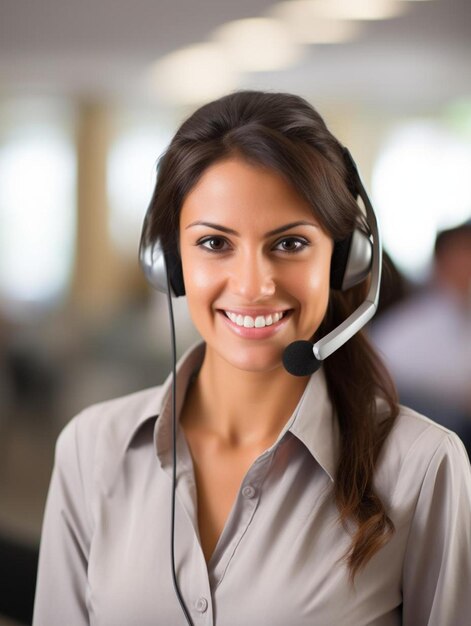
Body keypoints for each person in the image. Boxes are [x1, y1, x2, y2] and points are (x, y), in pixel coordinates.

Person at [33, 91, 471, 626]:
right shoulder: (91, 448)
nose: (253, 285)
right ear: (169, 263)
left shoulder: (422, 466)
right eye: (215, 243)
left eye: (289, 244)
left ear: (345, 262)